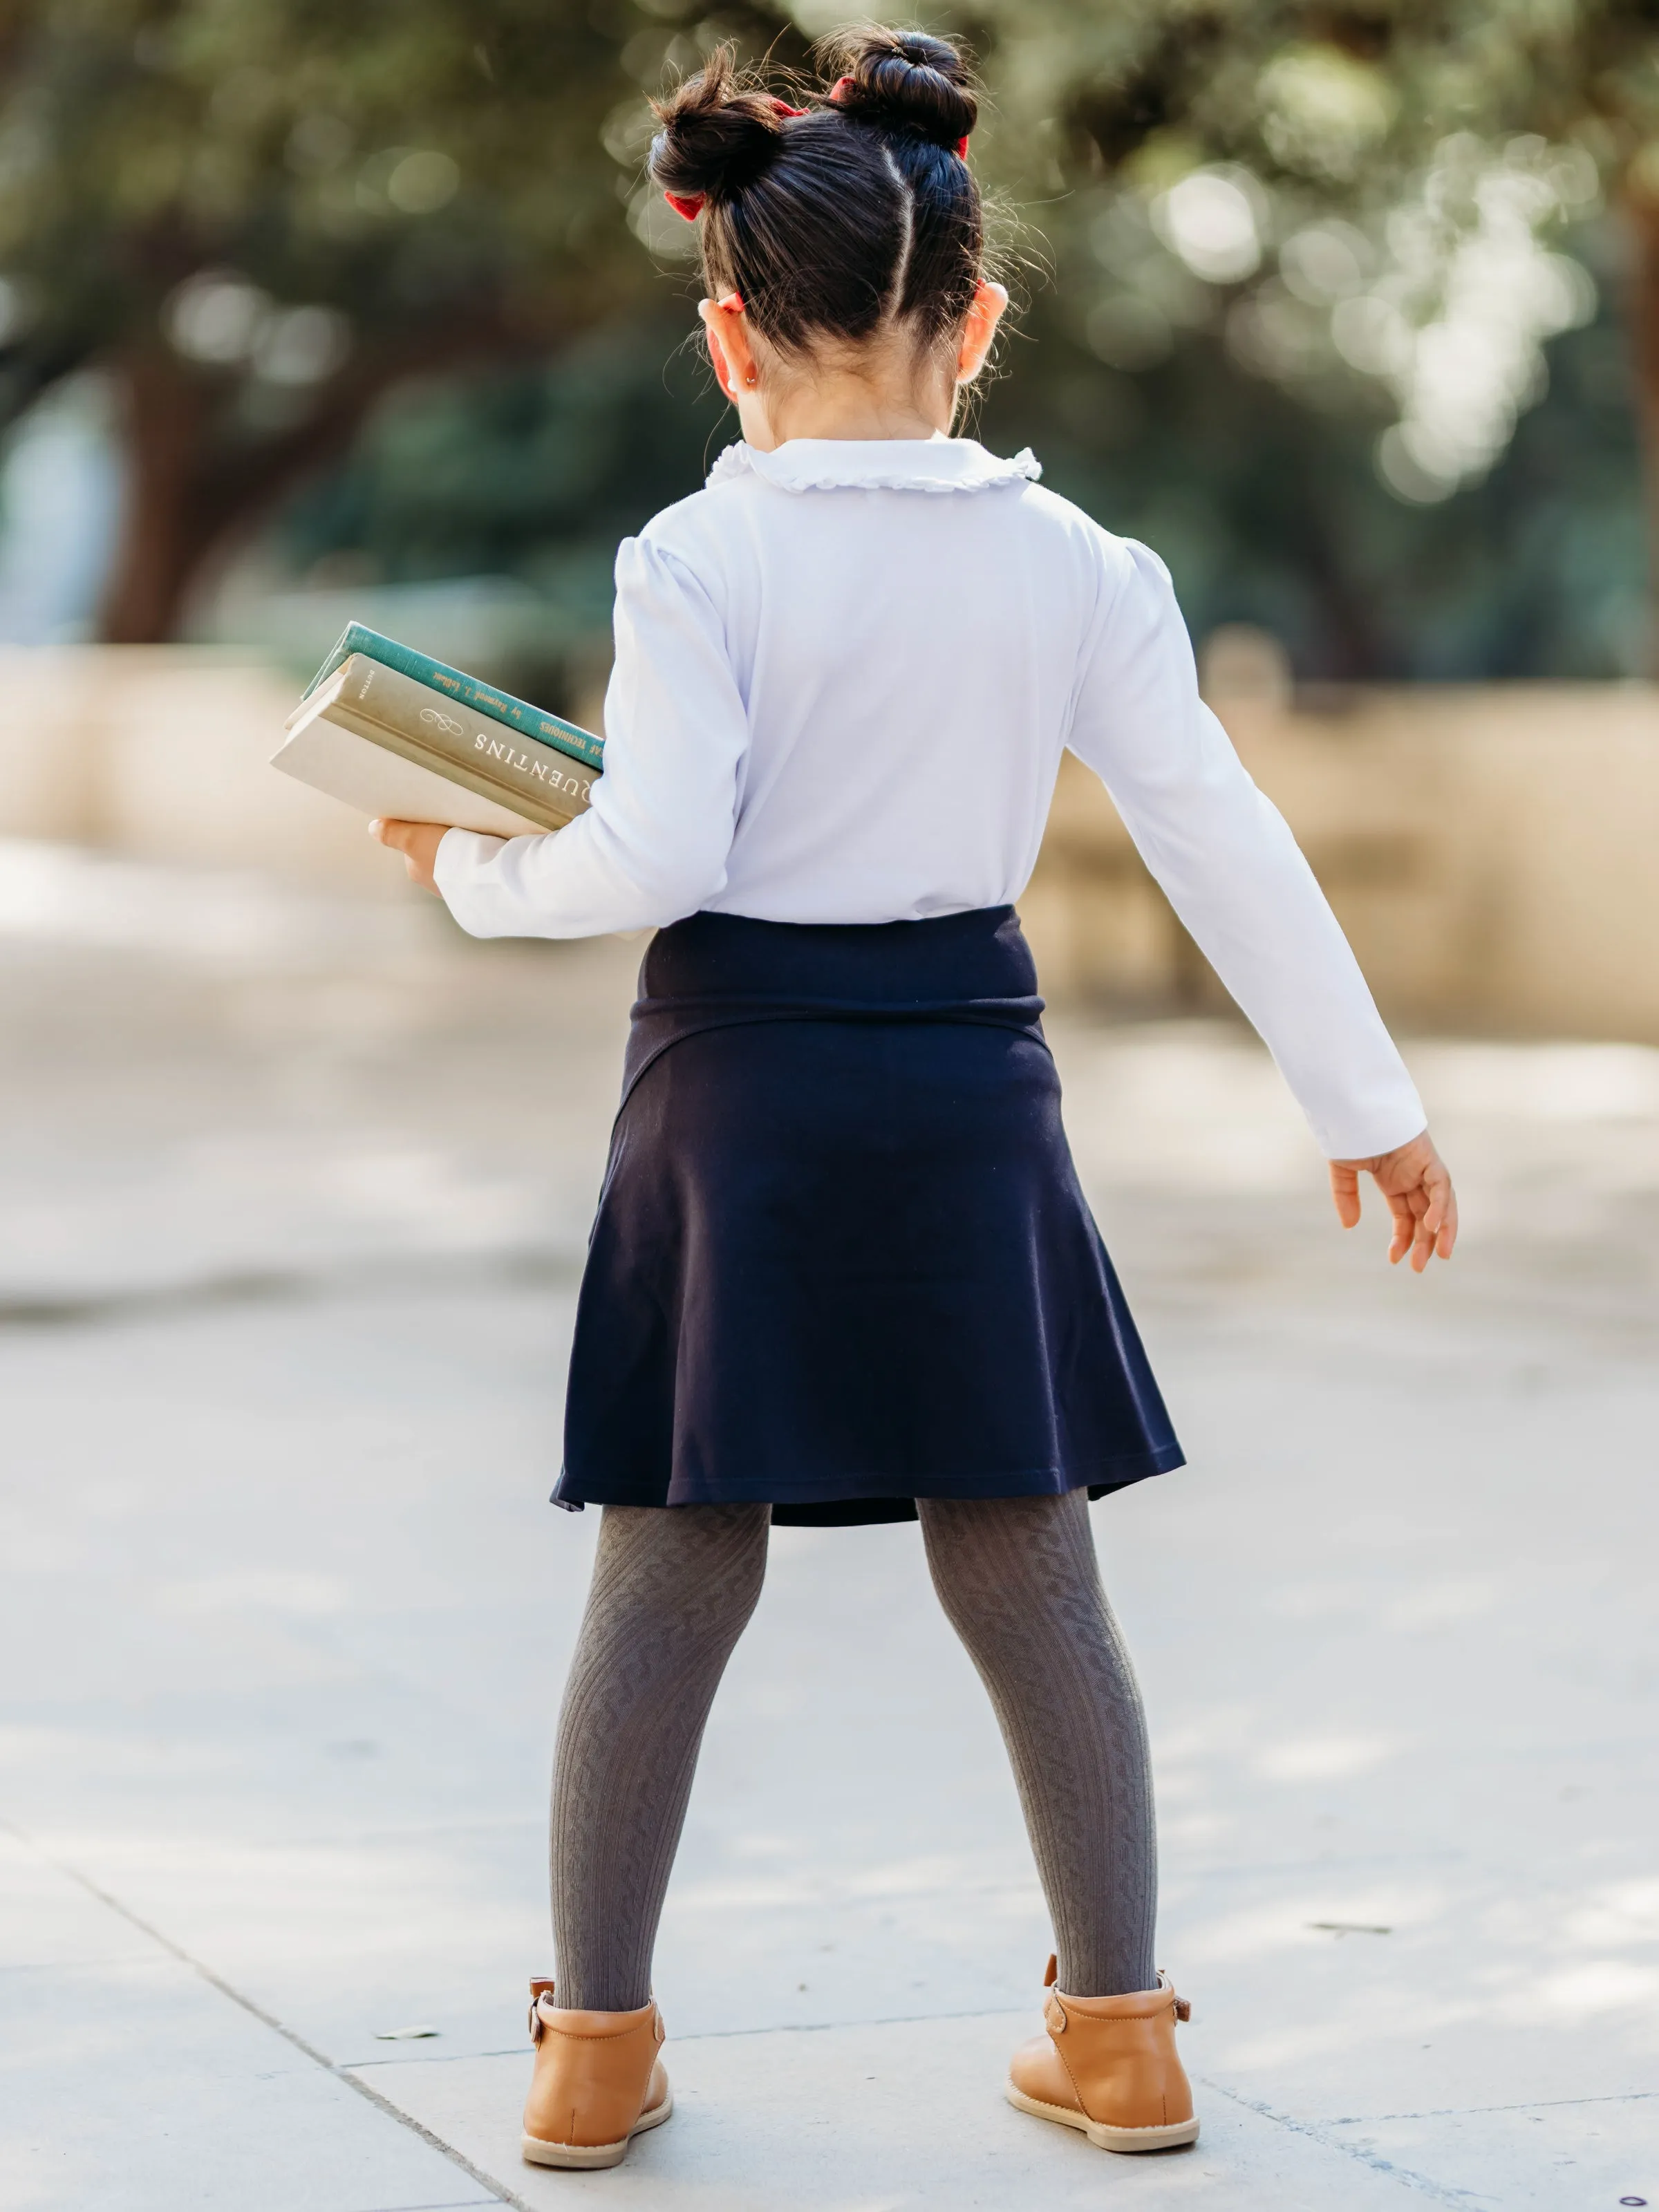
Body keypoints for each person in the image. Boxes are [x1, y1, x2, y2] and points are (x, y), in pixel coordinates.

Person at [372, 25, 1457, 2175]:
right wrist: (1369, 1098)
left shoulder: (697, 560)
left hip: (735, 1086)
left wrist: (477, 873)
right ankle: (1124, 2037)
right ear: (975, 320)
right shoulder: (1082, 569)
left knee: (673, 1562)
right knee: (1028, 1555)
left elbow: (657, 856)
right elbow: (1220, 833)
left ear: (727, 336)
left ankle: (593, 2049)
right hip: (970, 1080)